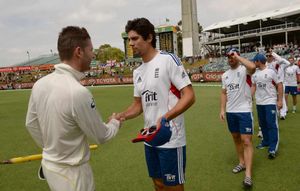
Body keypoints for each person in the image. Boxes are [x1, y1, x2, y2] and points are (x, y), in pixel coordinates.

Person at [26, 26, 121, 191]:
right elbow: (102, 135)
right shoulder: (78, 92)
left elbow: (31, 124)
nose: (93, 55)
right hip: (73, 173)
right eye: (91, 50)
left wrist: (52, 150)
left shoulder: (39, 84)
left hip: (50, 165)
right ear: (79, 52)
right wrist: (115, 122)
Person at [116, 18, 195, 191]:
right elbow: (138, 105)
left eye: (135, 38)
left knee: (173, 187)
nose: (131, 43)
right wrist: (121, 116)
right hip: (149, 138)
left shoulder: (168, 60)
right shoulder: (138, 72)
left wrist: (165, 117)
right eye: (129, 39)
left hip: (171, 137)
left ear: (149, 37)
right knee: (158, 184)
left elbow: (189, 96)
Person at [219, 48, 256, 188]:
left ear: (238, 56)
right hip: (231, 112)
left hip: (244, 111)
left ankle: (248, 175)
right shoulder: (225, 75)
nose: (230, 58)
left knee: (246, 140)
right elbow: (223, 93)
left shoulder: (244, 70)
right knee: (235, 137)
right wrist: (222, 109)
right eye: (228, 56)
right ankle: (241, 162)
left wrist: (238, 57)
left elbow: (252, 67)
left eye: (232, 55)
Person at [251, 53, 283, 160]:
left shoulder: (271, 71)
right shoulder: (254, 74)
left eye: (254, 61)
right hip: (259, 102)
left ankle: (273, 147)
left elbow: (279, 84)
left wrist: (279, 100)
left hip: (270, 102)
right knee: (263, 123)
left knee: (271, 124)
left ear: (258, 61)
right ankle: (266, 141)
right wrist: (249, 97)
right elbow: (254, 86)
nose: (253, 63)